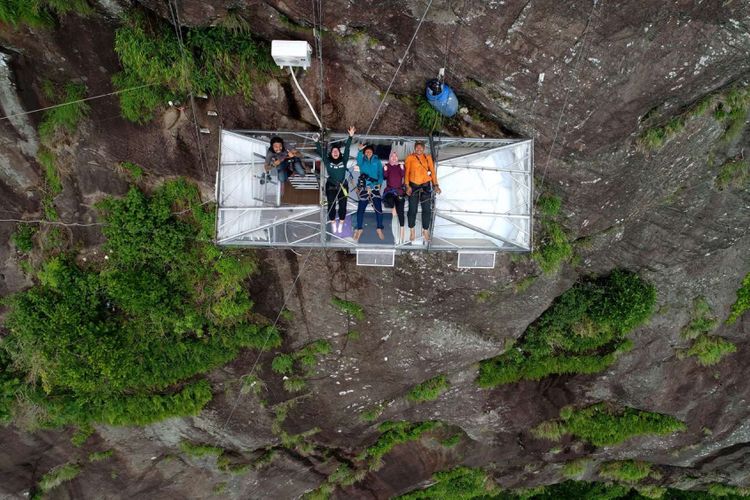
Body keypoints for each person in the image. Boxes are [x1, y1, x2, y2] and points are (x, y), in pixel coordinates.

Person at [316, 126, 355, 233]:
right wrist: (316, 142)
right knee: (331, 204)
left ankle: (341, 222)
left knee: (343, 206)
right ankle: (333, 222)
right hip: (331, 186)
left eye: (337, 151)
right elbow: (321, 152)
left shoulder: (344, 160)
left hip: (343, 186)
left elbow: (347, 149)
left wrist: (350, 136)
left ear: (339, 153)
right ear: (331, 153)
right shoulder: (328, 161)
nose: (335, 152)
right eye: (333, 151)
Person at [405, 141, 441, 242]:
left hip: (425, 186)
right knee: (412, 209)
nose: (419, 150)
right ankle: (412, 229)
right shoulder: (410, 158)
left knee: (427, 210)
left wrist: (436, 185)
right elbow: (406, 173)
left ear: (424, 149)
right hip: (413, 186)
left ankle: (425, 230)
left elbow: (432, 173)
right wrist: (407, 186)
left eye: (421, 148)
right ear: (414, 148)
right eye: (417, 148)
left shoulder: (428, 157)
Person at [354, 144, 384, 241]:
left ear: (372, 152)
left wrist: (379, 183)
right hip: (365, 188)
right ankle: (359, 228)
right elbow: (358, 160)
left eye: (369, 151)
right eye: (366, 151)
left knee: (378, 209)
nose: (368, 152)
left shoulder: (377, 161)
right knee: (360, 210)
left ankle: (379, 228)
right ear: (364, 153)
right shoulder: (362, 161)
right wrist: (359, 150)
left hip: (374, 188)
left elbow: (381, 173)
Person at [382, 151, 406, 243]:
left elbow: (403, 175)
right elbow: (385, 177)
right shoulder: (387, 166)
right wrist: (384, 169)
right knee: (390, 199)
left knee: (401, 211)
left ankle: (402, 229)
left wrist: (402, 167)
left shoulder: (400, 166)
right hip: (390, 190)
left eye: (395, 157)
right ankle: (393, 208)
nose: (394, 158)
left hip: (399, 191)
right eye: (392, 156)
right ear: (389, 158)